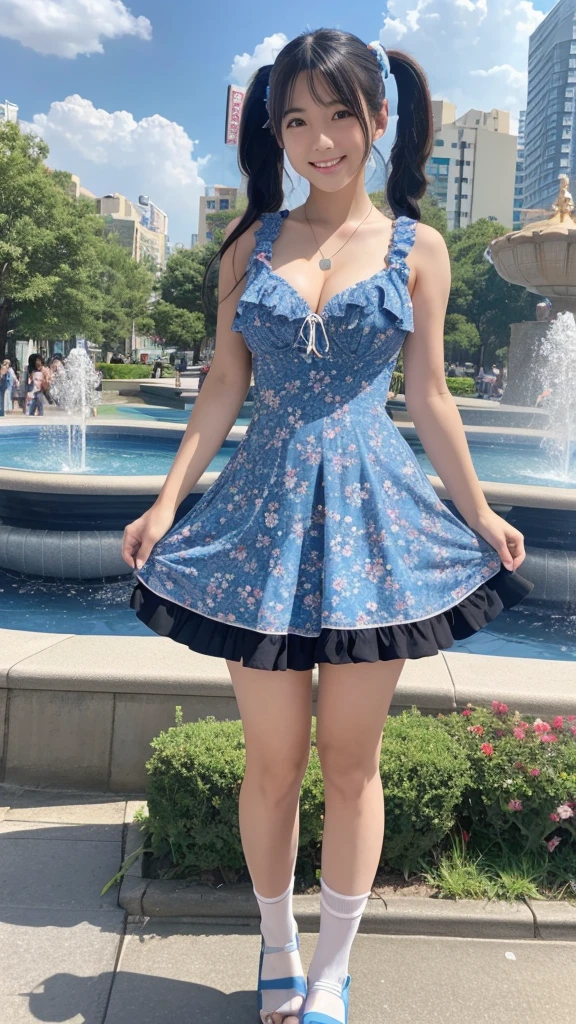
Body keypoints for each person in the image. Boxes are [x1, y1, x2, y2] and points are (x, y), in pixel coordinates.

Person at [123, 29, 534, 1024]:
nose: (321, 139)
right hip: (260, 518)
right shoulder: (248, 244)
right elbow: (225, 382)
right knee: (273, 765)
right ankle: (277, 945)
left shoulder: (416, 247)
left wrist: (476, 506)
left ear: (378, 121)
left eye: (341, 114)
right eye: (297, 119)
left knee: (352, 765)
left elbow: (429, 395)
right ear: (278, 131)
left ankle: (333, 972)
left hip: (373, 519)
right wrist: (170, 495)